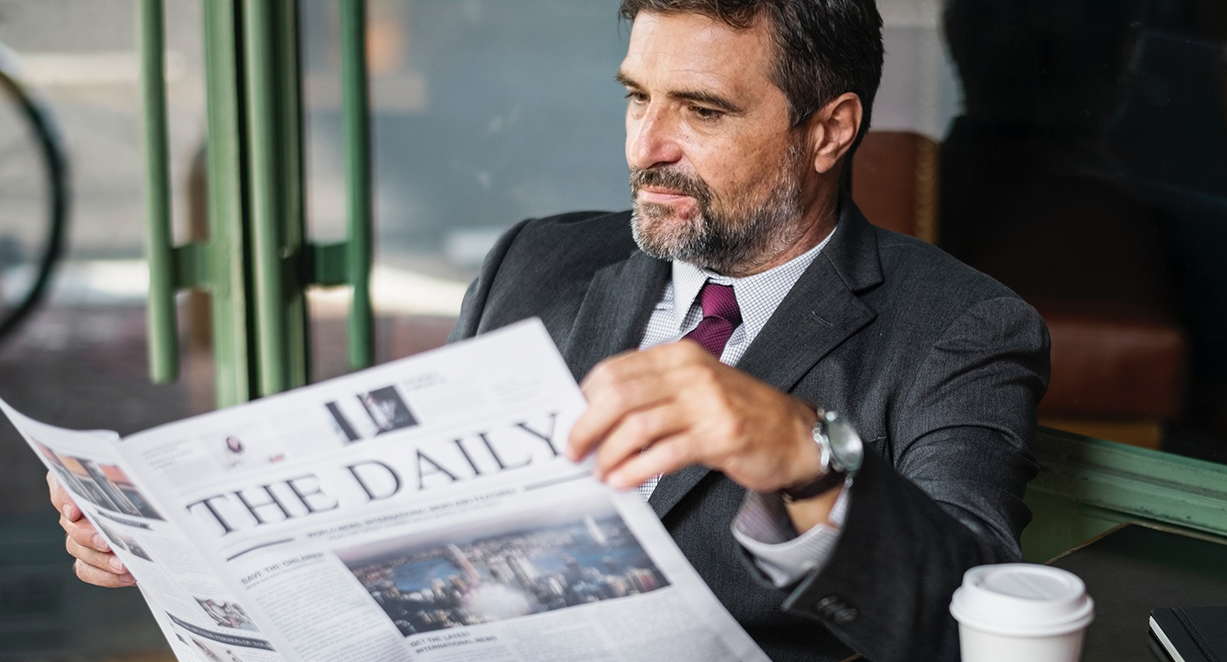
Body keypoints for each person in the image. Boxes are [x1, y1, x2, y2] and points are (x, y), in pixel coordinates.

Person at [51, 0, 1049, 659]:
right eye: (636, 97)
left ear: (828, 130)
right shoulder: (535, 263)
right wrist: (173, 541)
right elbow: (401, 520)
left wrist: (799, 455)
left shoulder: (955, 327)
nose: (647, 145)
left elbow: (975, 614)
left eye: (699, 109)